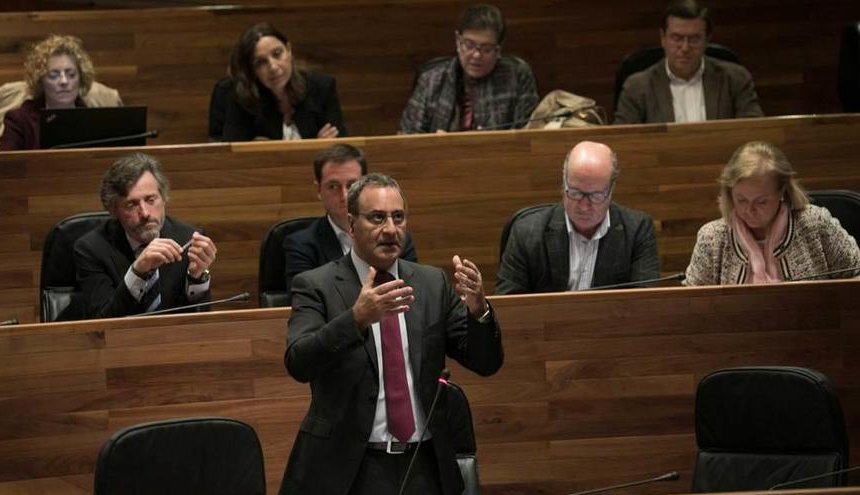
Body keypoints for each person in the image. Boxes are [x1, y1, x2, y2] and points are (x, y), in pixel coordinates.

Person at [281, 173, 503, 495]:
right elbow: (299, 362)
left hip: (424, 466)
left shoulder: (431, 284)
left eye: (398, 217)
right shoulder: (316, 285)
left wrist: (479, 311)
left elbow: (486, 362)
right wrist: (356, 319)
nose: (390, 229)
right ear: (352, 224)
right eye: (377, 218)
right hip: (351, 469)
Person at [685, 141, 860, 285]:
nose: (749, 210)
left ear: (782, 191)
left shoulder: (815, 224)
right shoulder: (712, 238)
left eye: (761, 202)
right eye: (741, 200)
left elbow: (857, 273)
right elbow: (690, 303)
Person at [496, 140, 660, 293]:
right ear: (564, 183)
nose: (583, 206)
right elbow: (508, 307)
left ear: (611, 190)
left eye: (596, 196)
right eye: (575, 193)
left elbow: (644, 306)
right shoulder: (526, 233)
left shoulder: (637, 231)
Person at [74, 152, 218, 318]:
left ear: (163, 199)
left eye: (151, 200)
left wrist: (197, 279)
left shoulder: (187, 238)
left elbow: (199, 323)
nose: (145, 213)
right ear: (114, 211)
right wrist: (138, 271)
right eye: (132, 204)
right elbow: (101, 322)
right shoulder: (91, 249)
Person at [282, 143, 418, 294]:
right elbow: (306, 302)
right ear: (318, 190)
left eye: (352, 185)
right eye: (333, 186)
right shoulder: (302, 246)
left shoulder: (396, 238)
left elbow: (412, 295)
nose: (345, 196)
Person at [613, 0, 763, 125]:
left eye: (694, 39)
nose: (685, 48)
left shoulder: (735, 79)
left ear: (707, 40)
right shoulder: (637, 87)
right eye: (677, 38)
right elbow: (624, 142)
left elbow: (755, 133)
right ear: (663, 38)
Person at [399, 4, 538, 133]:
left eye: (487, 49)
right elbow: (405, 139)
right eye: (469, 45)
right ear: (458, 41)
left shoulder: (517, 76)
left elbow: (527, 137)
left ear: (498, 50)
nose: (476, 55)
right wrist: (436, 145)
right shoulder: (431, 80)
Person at [210, 22, 345, 141]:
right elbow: (234, 157)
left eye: (277, 53)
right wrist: (315, 146)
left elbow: (339, 150)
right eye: (261, 62)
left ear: (289, 50)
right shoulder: (239, 96)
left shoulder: (322, 87)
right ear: (251, 70)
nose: (273, 67)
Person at [0, 35, 121, 151]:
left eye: (71, 74)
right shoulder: (19, 120)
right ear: (40, 81)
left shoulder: (95, 120)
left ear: (81, 78)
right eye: (53, 75)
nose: (64, 81)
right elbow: (4, 166)